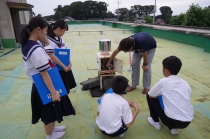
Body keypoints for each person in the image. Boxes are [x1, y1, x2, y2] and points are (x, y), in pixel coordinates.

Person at [20, 17, 76, 139]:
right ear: (38, 30)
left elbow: (46, 43)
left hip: (41, 83)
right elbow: (44, 73)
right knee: (48, 111)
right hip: (44, 85)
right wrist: (53, 92)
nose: (47, 33)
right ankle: (49, 135)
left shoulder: (30, 43)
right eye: (45, 31)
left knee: (53, 108)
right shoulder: (36, 50)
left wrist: (45, 38)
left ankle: (53, 129)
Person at [147, 56, 194, 135]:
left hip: (170, 120)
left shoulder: (164, 81)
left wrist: (160, 96)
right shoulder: (185, 83)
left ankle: (155, 122)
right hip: (187, 121)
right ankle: (173, 129)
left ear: (166, 70)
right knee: (172, 101)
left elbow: (151, 94)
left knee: (149, 95)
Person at [45, 20, 76, 94]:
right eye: (64, 31)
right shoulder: (47, 39)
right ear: (59, 29)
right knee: (59, 89)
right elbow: (51, 56)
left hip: (64, 67)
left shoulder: (60, 38)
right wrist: (63, 66)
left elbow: (65, 52)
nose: (64, 33)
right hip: (56, 69)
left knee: (66, 87)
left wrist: (69, 63)